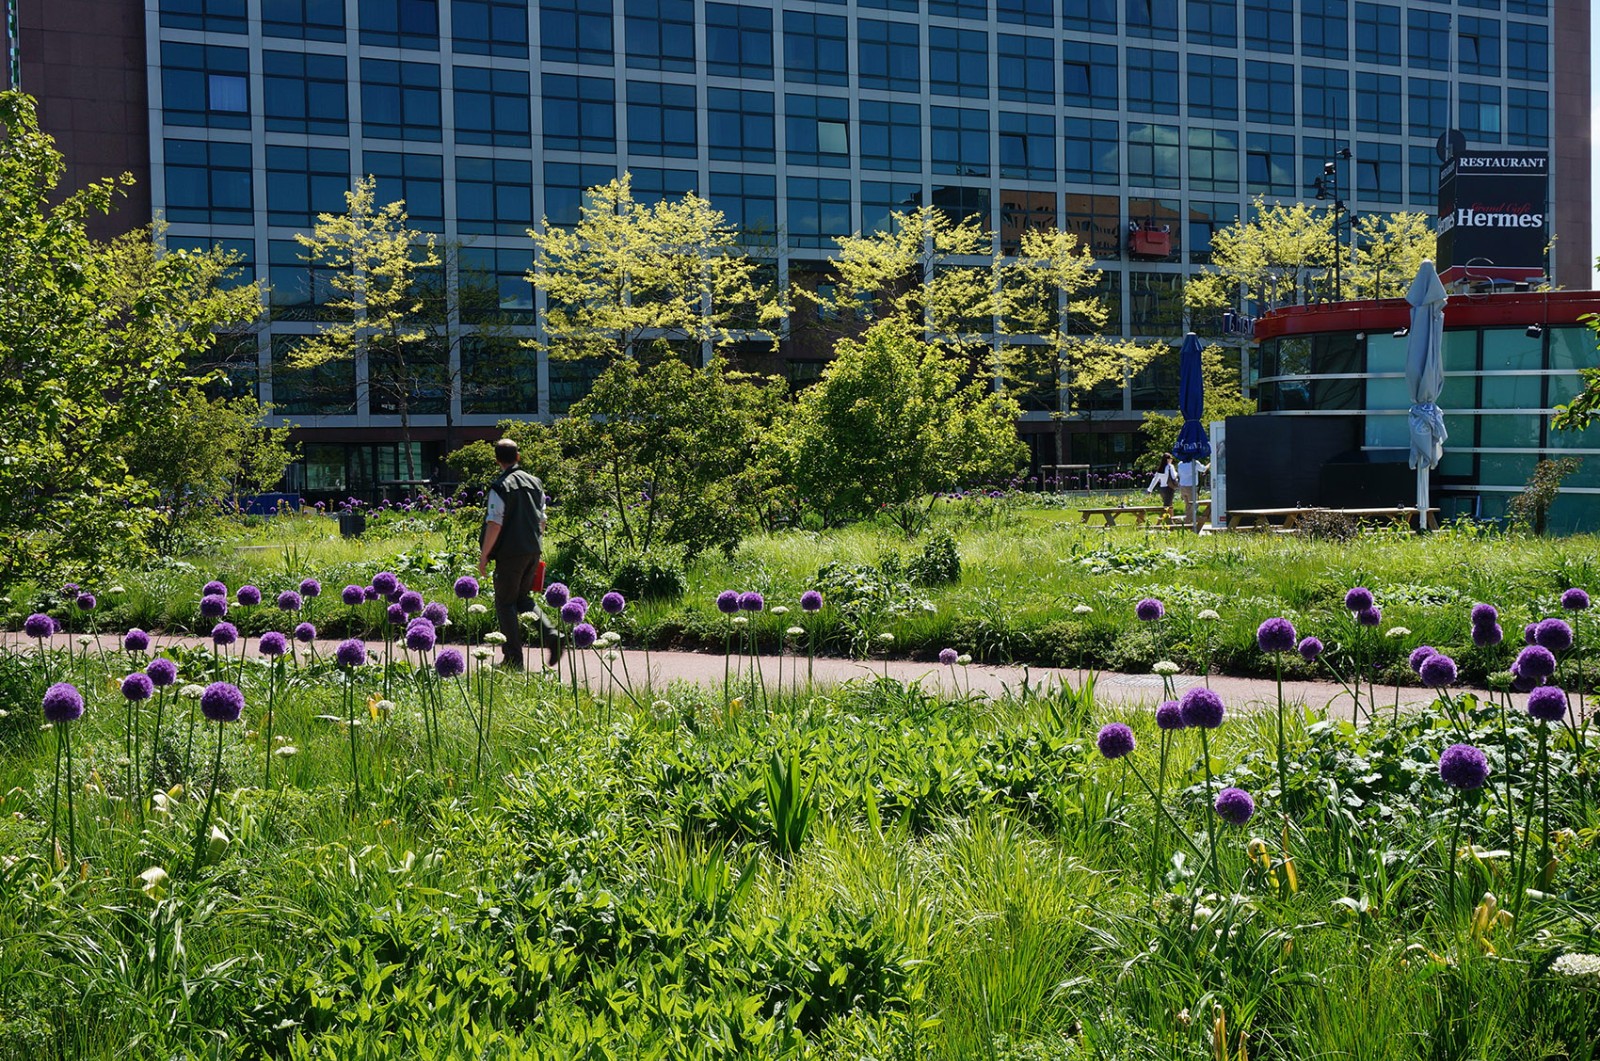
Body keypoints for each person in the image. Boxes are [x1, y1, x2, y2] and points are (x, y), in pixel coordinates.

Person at [478, 438, 561, 670]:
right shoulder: (535, 483)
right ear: (518, 457)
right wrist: (533, 544)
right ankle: (552, 635)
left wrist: (484, 555)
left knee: (505, 604)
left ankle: (513, 659)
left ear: (497, 460)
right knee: (523, 599)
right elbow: (542, 520)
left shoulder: (500, 486)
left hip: (510, 553)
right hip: (533, 549)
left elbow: (494, 523)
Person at [1176, 455, 1210, 532]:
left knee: (1188, 506)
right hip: (1191, 487)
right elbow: (1203, 469)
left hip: (1182, 486)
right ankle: (1189, 523)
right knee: (1194, 505)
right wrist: (1209, 464)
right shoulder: (1194, 463)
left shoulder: (1180, 464)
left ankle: (1187, 523)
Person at [1146, 454, 1178, 525]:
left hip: (1162, 489)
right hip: (1169, 488)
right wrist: (1177, 474)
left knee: (1168, 505)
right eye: (1171, 458)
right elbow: (1173, 476)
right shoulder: (1170, 467)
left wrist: (1150, 489)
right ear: (1167, 459)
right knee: (1167, 506)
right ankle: (1165, 523)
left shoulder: (1160, 468)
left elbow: (1155, 480)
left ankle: (1169, 521)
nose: (1171, 460)